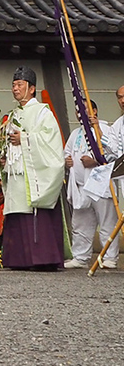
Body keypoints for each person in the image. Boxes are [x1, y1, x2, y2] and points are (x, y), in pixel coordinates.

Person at [0, 65, 65, 271]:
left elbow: (50, 141)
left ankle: (43, 259)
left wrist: (25, 139)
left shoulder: (42, 112)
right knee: (17, 210)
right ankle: (18, 259)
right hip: (17, 170)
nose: (15, 89)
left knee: (33, 209)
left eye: (20, 85)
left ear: (32, 88)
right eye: (13, 85)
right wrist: (5, 157)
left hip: (34, 172)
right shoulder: (13, 114)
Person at [63, 100, 117, 269]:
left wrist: (95, 161)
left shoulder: (106, 129)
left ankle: (110, 257)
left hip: (100, 185)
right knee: (80, 222)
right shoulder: (75, 133)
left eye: (85, 109)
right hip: (81, 186)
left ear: (95, 110)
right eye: (78, 109)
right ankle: (80, 257)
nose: (81, 112)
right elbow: (66, 153)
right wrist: (68, 161)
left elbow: (113, 153)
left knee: (107, 222)